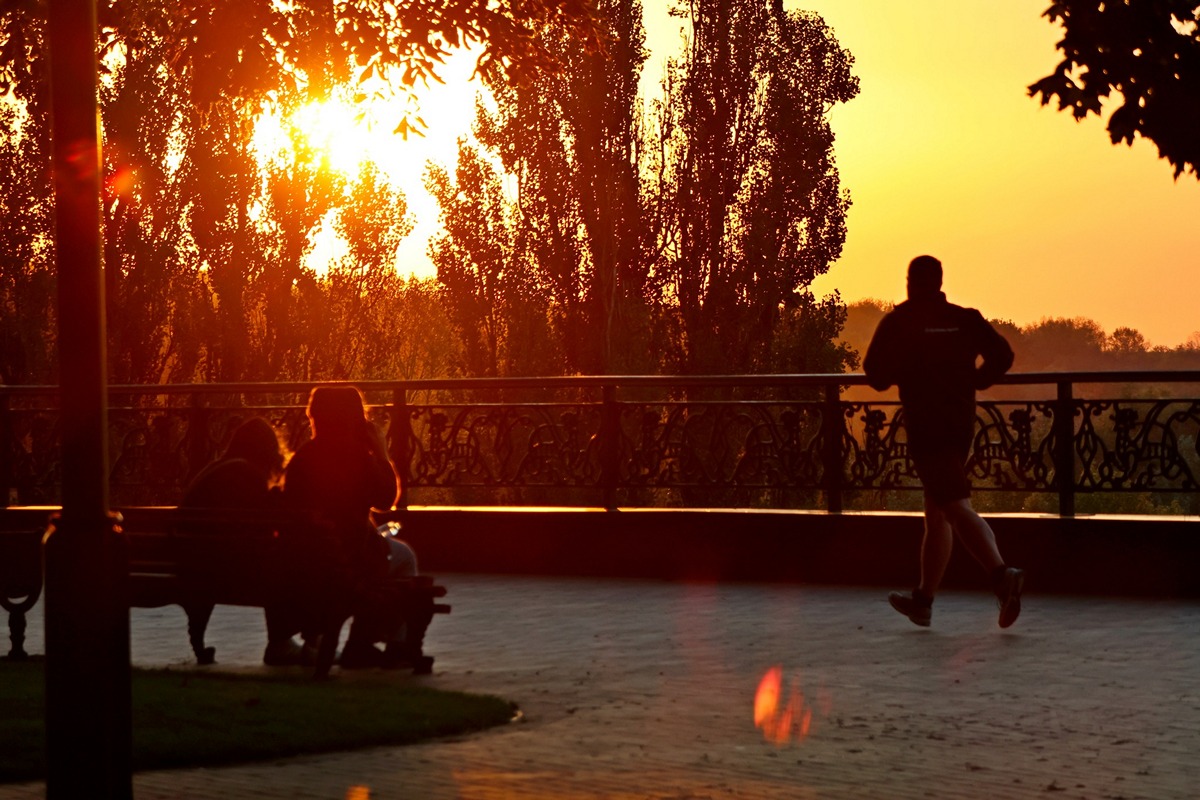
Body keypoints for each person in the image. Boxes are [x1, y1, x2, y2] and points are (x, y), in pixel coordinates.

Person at [862, 255, 1025, 628]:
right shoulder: (965, 319)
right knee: (937, 512)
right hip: (960, 423)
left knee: (953, 506)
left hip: (926, 426)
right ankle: (923, 601)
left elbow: (875, 375)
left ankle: (1001, 575)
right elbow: (1003, 355)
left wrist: (906, 369)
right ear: (939, 282)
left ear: (909, 282)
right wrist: (977, 381)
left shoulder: (899, 322)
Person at [282, 385, 401, 671]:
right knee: (403, 557)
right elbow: (386, 500)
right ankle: (365, 642)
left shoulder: (302, 458)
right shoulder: (358, 458)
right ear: (355, 419)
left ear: (315, 417)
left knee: (380, 551)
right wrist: (381, 452)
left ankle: (361, 641)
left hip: (304, 561)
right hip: (347, 560)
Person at [179, 417, 305, 665]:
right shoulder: (245, 473)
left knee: (282, 558)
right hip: (219, 568)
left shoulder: (218, 468)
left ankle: (284, 641)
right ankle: (282, 641)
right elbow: (266, 523)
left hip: (191, 563)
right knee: (289, 562)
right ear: (267, 451)